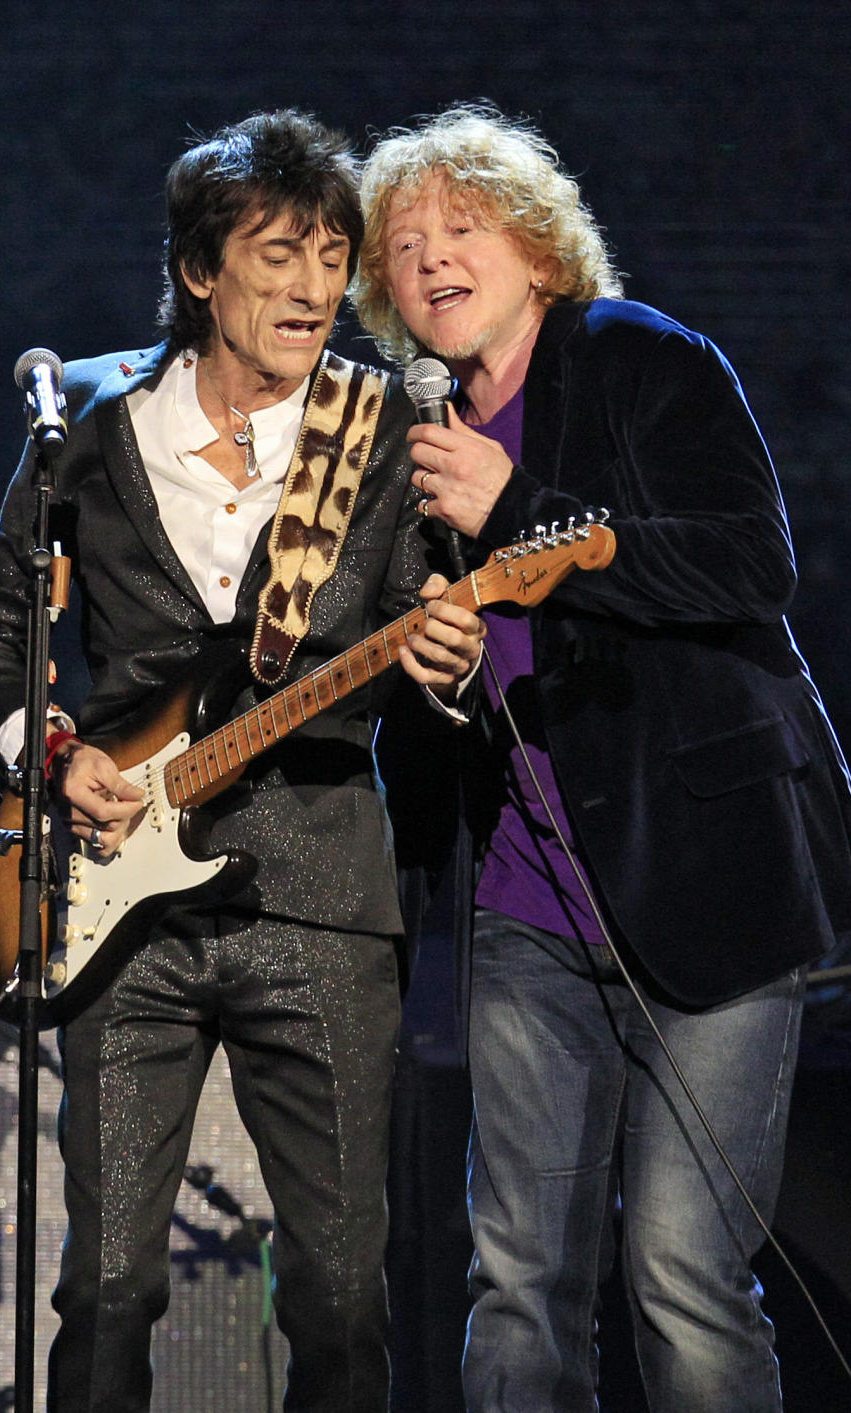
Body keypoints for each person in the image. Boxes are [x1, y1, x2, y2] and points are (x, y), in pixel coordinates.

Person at [0, 110, 484, 1413]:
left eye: (331, 258)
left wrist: (449, 662)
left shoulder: (379, 428)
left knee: (347, 1298)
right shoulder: (88, 424)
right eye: (277, 254)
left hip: (325, 905)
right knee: (108, 1288)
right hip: (117, 913)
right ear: (198, 269)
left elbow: (428, 617)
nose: (312, 289)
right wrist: (48, 751)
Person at [355, 105, 851, 1412]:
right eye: (401, 246)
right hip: (530, 908)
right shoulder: (413, 460)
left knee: (682, 1268)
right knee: (517, 1276)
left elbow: (749, 565)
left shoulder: (643, 358)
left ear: (536, 247)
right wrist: (439, 688)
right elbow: (425, 749)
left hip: (711, 882)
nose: (431, 259)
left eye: (461, 228)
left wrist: (515, 511)